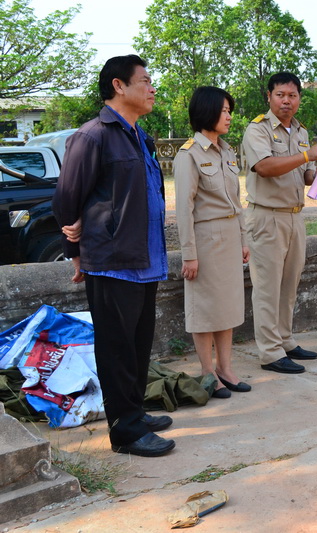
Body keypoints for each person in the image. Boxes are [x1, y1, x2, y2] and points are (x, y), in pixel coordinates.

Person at [52, 55, 175, 457]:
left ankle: (135, 413)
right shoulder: (93, 136)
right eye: (145, 81)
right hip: (111, 261)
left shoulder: (140, 136)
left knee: (138, 345)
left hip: (145, 258)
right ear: (119, 86)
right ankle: (125, 432)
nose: (152, 88)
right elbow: (66, 198)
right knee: (116, 348)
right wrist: (75, 252)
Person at [242, 72, 317, 374]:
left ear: (299, 99)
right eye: (280, 95)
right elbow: (265, 167)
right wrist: (306, 155)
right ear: (269, 97)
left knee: (289, 284)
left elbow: (302, 175)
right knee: (267, 288)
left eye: (292, 95)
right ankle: (270, 352)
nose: (286, 101)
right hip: (266, 216)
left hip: (294, 215)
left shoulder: (300, 131)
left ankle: (285, 340)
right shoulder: (258, 129)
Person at [174, 87, 251, 398]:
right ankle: (208, 372)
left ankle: (226, 368)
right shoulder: (189, 154)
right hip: (205, 239)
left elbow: (237, 200)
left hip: (230, 236)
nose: (229, 117)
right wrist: (189, 254)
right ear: (207, 112)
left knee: (227, 305)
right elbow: (184, 208)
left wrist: (243, 238)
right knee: (205, 307)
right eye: (223, 111)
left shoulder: (227, 151)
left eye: (229, 111)